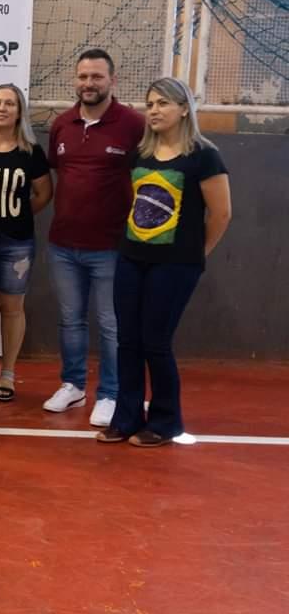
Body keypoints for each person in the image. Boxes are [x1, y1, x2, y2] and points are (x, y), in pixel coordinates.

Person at [97, 78, 230, 447]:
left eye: (163, 104)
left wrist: (195, 255)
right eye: (150, 103)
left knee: (156, 342)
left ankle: (165, 421)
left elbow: (221, 214)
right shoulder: (140, 154)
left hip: (176, 265)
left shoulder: (204, 156)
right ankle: (126, 419)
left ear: (184, 109)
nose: (153, 110)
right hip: (132, 258)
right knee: (128, 341)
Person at [43, 48, 145, 427]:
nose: (89, 84)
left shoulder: (133, 124)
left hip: (111, 247)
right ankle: (73, 385)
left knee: (111, 324)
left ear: (112, 81)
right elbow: (59, 171)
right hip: (63, 245)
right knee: (70, 321)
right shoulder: (62, 124)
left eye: (97, 77)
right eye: (83, 77)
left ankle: (110, 393)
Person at [0, 85, 53, 402]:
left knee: (11, 308)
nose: (2, 108)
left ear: (19, 111)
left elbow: (44, 194)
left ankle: (7, 373)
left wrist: (17, 216)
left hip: (17, 242)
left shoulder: (30, 152)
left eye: (9, 103)